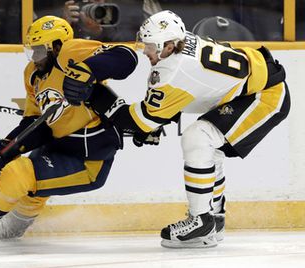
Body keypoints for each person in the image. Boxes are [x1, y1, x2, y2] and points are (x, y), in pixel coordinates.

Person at [63, 10, 290, 248]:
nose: (145, 50)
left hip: (265, 96)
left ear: (169, 46)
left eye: (150, 45)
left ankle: (201, 221)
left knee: (198, 138)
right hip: (252, 87)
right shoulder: (180, 47)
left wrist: (97, 95)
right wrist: (157, 118)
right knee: (207, 148)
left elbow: (139, 123)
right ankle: (213, 218)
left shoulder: (170, 72)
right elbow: (191, 90)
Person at [0, 15, 138, 247]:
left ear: (57, 46)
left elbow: (127, 57)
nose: (34, 58)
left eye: (39, 51)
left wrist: (88, 71)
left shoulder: (72, 52)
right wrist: (6, 148)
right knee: (30, 183)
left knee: (20, 174)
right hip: (58, 146)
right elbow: (35, 122)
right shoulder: (32, 74)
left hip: (88, 160)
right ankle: (13, 228)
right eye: (31, 51)